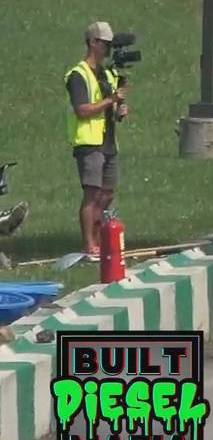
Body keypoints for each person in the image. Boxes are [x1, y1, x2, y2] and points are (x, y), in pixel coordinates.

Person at [67, 21, 128, 261]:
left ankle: (99, 236)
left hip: (109, 141)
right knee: (91, 194)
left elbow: (111, 108)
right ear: (93, 42)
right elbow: (82, 109)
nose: (109, 50)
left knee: (107, 193)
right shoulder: (77, 75)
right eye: (106, 44)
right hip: (89, 141)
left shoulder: (107, 74)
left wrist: (120, 110)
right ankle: (89, 245)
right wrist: (112, 99)